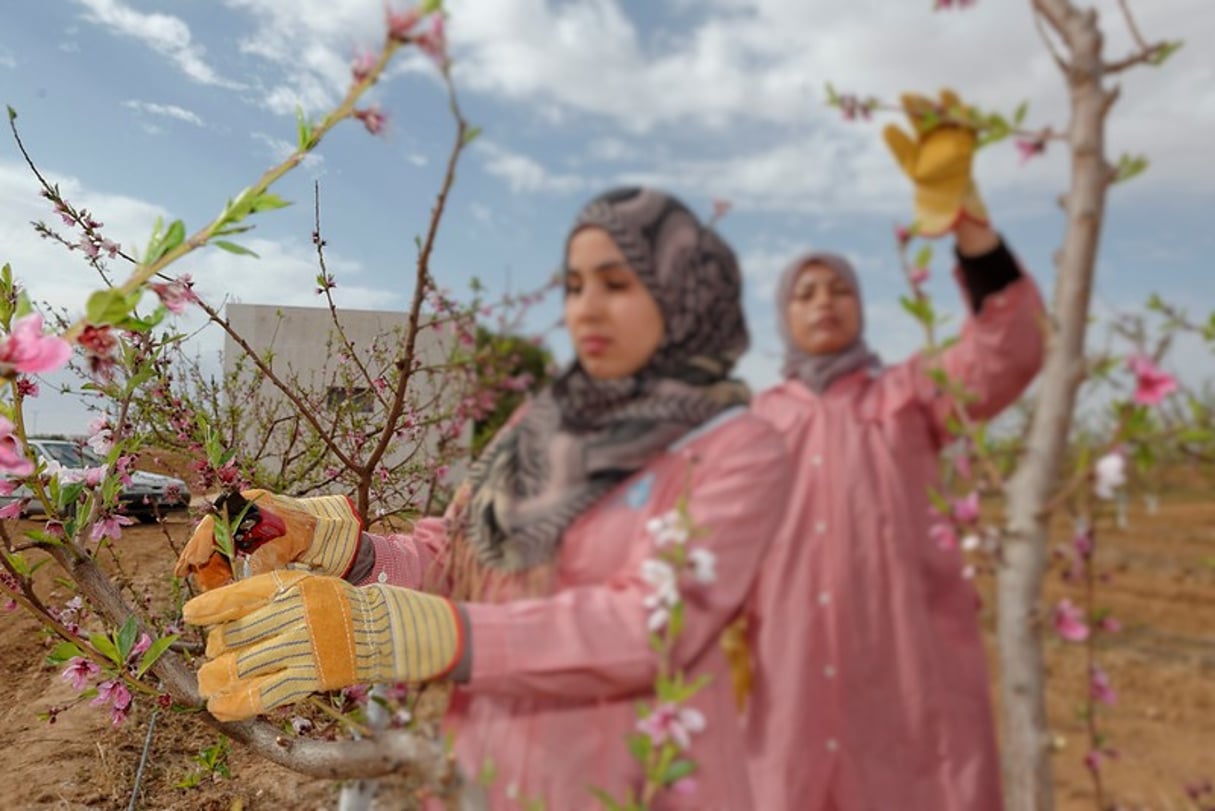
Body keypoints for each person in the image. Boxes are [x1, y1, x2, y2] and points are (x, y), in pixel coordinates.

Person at [176, 187, 793, 810]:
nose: (588, 309)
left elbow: (654, 626)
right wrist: (333, 544)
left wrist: (416, 633)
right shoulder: (541, 426)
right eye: (576, 286)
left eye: (618, 283)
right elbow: (455, 557)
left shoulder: (738, 449)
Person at [741, 90, 1047, 810]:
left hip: (905, 678)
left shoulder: (907, 393)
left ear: (860, 308)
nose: (823, 301)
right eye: (805, 292)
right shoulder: (755, 424)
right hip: (784, 677)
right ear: (783, 317)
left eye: (838, 288)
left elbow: (1010, 349)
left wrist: (967, 223)